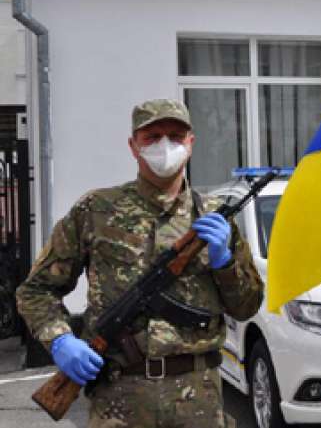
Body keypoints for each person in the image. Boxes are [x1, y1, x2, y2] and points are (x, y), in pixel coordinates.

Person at [17, 99, 264, 428]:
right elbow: (36, 291)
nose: (166, 145)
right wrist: (61, 341)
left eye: (176, 136)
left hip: (198, 398)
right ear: (133, 146)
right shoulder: (95, 210)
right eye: (153, 137)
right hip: (119, 397)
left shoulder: (214, 217)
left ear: (191, 144)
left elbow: (246, 307)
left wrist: (226, 262)